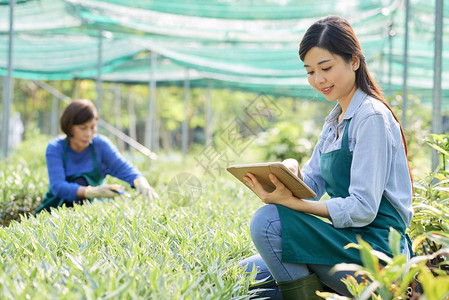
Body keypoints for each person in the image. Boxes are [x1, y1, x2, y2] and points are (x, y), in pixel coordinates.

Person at [239, 16, 414, 299]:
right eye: (309, 71)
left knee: (268, 222)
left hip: (377, 255)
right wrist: (289, 171)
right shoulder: (335, 120)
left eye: (326, 67)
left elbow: (362, 209)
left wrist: (293, 203)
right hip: (342, 243)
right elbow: (312, 186)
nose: (318, 80)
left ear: (354, 61)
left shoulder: (371, 117)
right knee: (239, 280)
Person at [36, 99, 158, 214]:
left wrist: (139, 180)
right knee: (80, 181)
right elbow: (58, 187)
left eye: (93, 127)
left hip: (89, 208)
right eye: (82, 128)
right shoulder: (56, 148)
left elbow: (121, 166)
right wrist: (91, 191)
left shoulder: (100, 145)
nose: (88, 134)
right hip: (56, 208)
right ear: (69, 127)